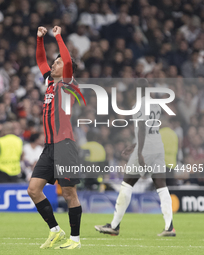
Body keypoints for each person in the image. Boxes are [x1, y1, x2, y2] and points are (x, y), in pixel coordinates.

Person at [95, 79, 175, 237]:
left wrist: (139, 152)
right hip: (158, 147)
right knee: (161, 186)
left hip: (146, 148)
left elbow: (143, 126)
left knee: (127, 183)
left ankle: (114, 226)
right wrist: (134, 145)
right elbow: (150, 128)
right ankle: (169, 227)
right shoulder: (156, 104)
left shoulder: (138, 105)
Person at [27, 26, 82, 250]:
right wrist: (40, 39)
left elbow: (67, 61)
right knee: (33, 189)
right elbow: (41, 60)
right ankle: (55, 231)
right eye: (54, 62)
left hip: (65, 145)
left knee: (69, 193)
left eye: (57, 62)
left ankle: (76, 241)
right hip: (50, 147)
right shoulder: (50, 81)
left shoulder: (68, 83)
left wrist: (58, 36)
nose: (53, 64)